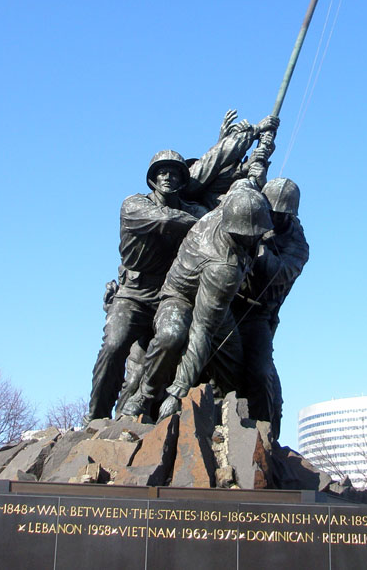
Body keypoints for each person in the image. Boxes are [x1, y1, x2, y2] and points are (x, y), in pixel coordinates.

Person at [86, 112, 276, 421]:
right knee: (115, 345)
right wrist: (249, 132)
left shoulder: (197, 210)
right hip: (136, 294)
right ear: (152, 177)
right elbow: (168, 219)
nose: (169, 178)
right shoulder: (135, 205)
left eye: (175, 173)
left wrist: (259, 152)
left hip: (174, 292)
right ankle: (96, 417)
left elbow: (225, 185)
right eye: (162, 172)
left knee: (180, 339)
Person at [120, 179, 273, 420]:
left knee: (233, 363)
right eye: (249, 235)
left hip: (215, 303)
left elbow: (243, 185)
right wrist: (178, 392)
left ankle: (225, 415)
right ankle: (145, 396)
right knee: (172, 335)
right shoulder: (225, 266)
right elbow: (202, 330)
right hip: (180, 297)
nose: (254, 238)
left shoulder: (229, 207)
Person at [231, 177, 308, 440]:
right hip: (228, 304)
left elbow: (281, 272)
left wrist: (257, 243)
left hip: (258, 315)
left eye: (280, 214)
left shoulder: (297, 244)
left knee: (262, 374)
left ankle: (264, 440)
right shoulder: (256, 213)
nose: (273, 217)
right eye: (270, 211)